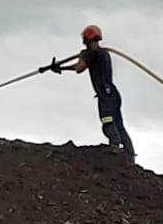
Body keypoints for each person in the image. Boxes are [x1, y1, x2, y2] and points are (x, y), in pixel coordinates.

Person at [42, 24, 134, 158]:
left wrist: (64, 67)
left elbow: (79, 68)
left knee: (108, 121)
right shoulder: (102, 53)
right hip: (112, 94)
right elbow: (81, 64)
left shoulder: (93, 54)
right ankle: (129, 154)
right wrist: (63, 66)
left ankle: (115, 147)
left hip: (105, 95)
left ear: (86, 40)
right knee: (118, 124)